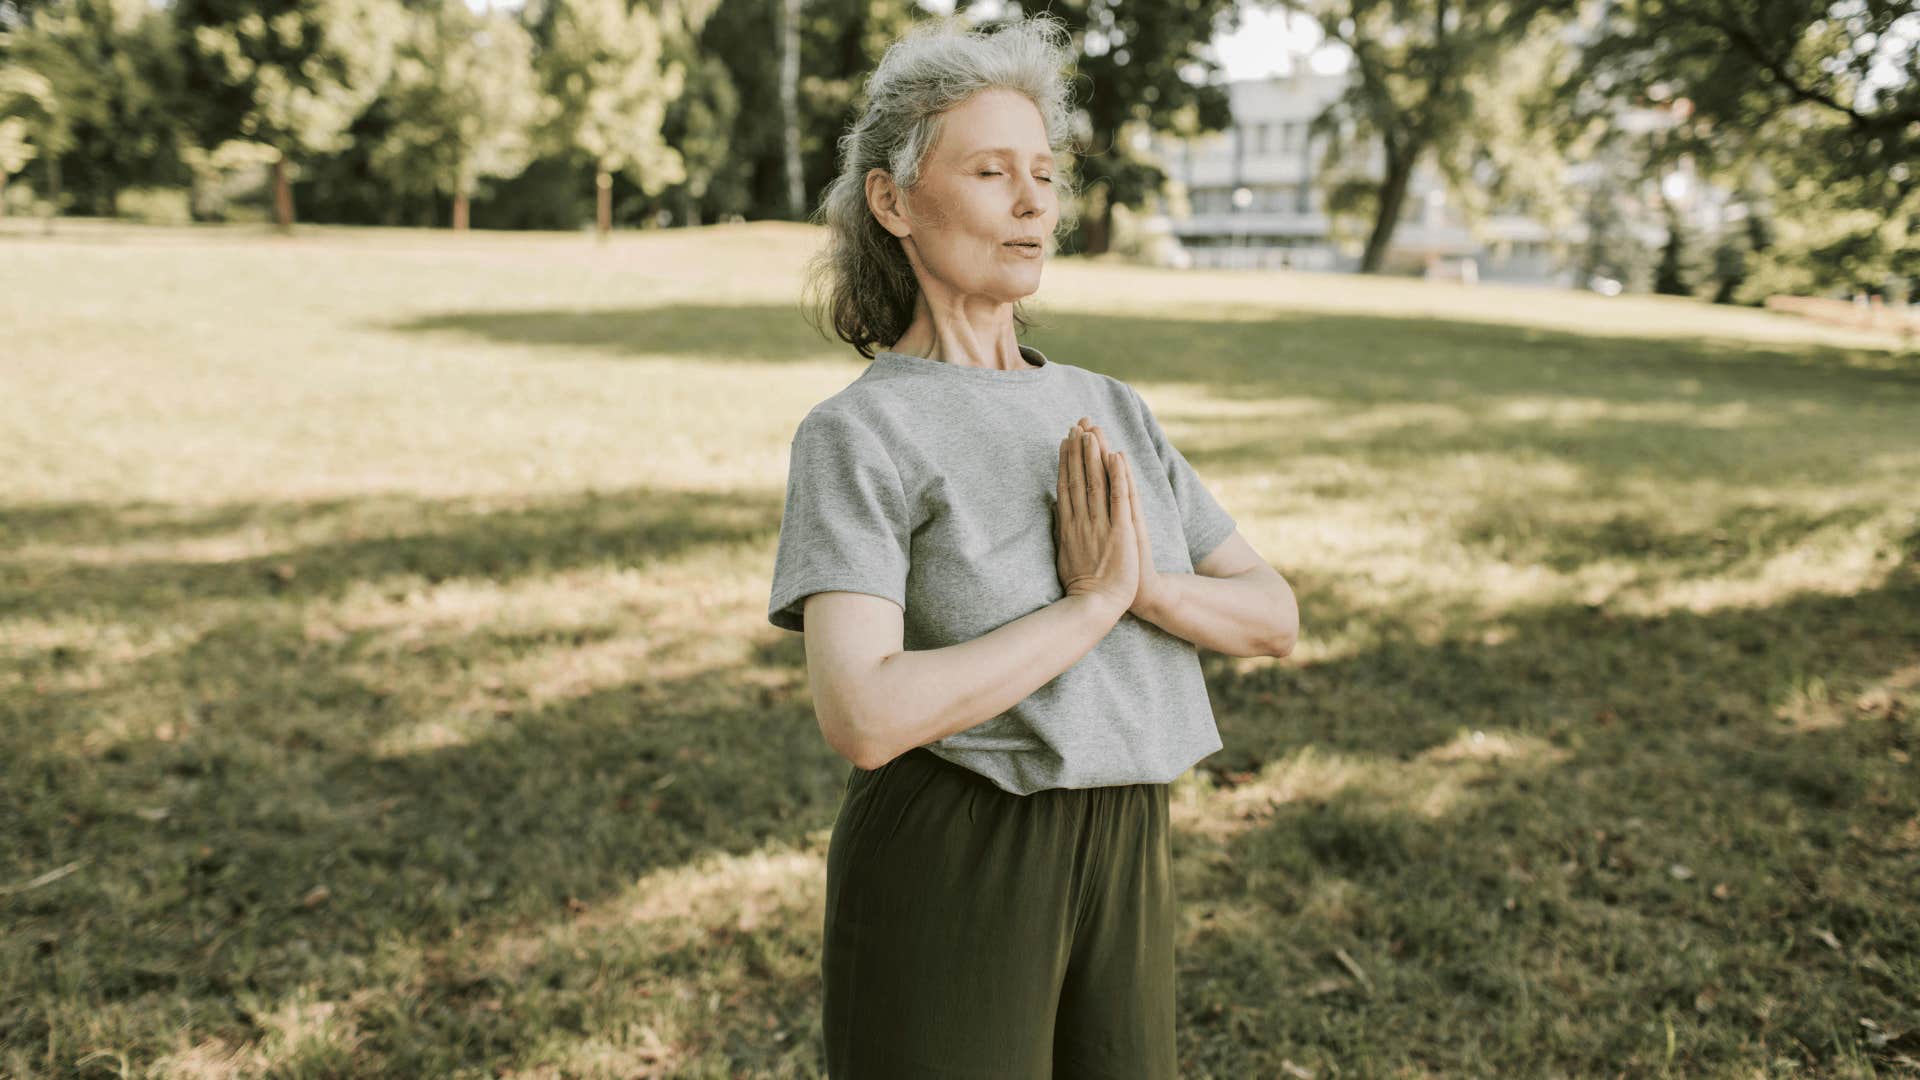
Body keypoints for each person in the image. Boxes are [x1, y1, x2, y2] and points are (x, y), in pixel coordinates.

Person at [767, 14, 1299, 1078]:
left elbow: (1272, 615)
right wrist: (1088, 609)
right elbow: (862, 713)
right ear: (893, 201)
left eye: (1046, 175)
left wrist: (1141, 583)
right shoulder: (863, 432)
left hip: (1130, 840)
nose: (1033, 204)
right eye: (993, 171)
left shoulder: (1110, 406)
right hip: (957, 849)